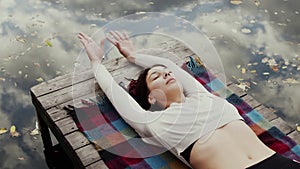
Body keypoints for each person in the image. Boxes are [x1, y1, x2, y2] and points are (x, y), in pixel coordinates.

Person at [77, 31, 300, 169]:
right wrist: (96, 62)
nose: (166, 74)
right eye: (156, 76)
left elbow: (172, 66)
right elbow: (114, 91)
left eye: (166, 73)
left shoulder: (202, 96)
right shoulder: (153, 121)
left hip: (278, 163)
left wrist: (133, 56)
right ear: (151, 97)